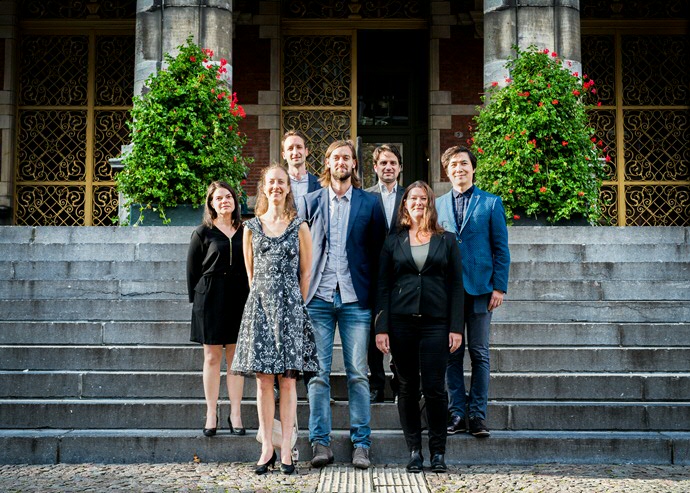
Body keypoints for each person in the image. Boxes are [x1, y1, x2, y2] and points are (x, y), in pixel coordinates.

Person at [296, 140, 386, 470]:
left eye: (347, 157)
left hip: (355, 299)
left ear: (354, 164)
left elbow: (380, 254)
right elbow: (298, 251)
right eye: (336, 157)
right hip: (318, 298)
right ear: (327, 163)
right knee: (317, 375)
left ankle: (361, 444)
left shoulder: (370, 203)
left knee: (358, 374)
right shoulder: (310, 201)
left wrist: (379, 304)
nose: (341, 162)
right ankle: (320, 442)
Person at [231, 164, 319, 475]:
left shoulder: (300, 226)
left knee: (289, 381)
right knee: (263, 381)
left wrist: (292, 303)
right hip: (260, 310)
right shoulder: (251, 228)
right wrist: (266, 301)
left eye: (281, 182)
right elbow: (251, 274)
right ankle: (267, 445)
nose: (276, 187)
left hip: (291, 310)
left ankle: (287, 449)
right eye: (271, 182)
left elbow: (306, 274)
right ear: (264, 187)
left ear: (288, 187)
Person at [375, 180, 463, 473]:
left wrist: (456, 327)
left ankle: (438, 452)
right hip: (401, 324)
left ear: (430, 203)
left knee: (436, 388)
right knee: (408, 388)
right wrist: (381, 328)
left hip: (436, 324)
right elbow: (383, 286)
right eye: (413, 198)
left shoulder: (447, 240)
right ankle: (414, 451)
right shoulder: (393, 241)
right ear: (405, 204)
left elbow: (456, 286)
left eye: (423, 198)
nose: (418, 203)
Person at [436, 145, 511, 438]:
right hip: (448, 293)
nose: (459, 169)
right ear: (447, 171)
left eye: (464, 163)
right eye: (453, 164)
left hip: (481, 290)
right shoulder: (438, 205)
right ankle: (457, 412)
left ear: (473, 168)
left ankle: (478, 415)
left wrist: (499, 287)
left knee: (479, 353)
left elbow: (501, 249)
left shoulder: (491, 203)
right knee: (451, 354)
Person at [186, 181, 249, 438]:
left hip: (239, 297)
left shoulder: (246, 230)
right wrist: (199, 302)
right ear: (211, 204)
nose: (224, 201)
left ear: (235, 201)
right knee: (212, 357)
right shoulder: (203, 232)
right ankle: (211, 413)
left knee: (236, 359)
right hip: (210, 298)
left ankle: (236, 414)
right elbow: (192, 272)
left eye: (228, 196)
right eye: (219, 198)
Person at [364, 144, 404, 403]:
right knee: (373, 332)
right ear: (375, 167)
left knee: (400, 330)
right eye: (383, 163)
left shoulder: (410, 196)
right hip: (372, 274)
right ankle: (377, 384)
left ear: (399, 168)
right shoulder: (365, 197)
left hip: (403, 274)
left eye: (393, 163)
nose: (388, 167)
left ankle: (400, 384)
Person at [282, 129, 321, 198]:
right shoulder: (279, 185)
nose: (295, 152)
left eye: (299, 147)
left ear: (306, 152)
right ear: (284, 155)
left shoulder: (320, 185)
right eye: (290, 148)